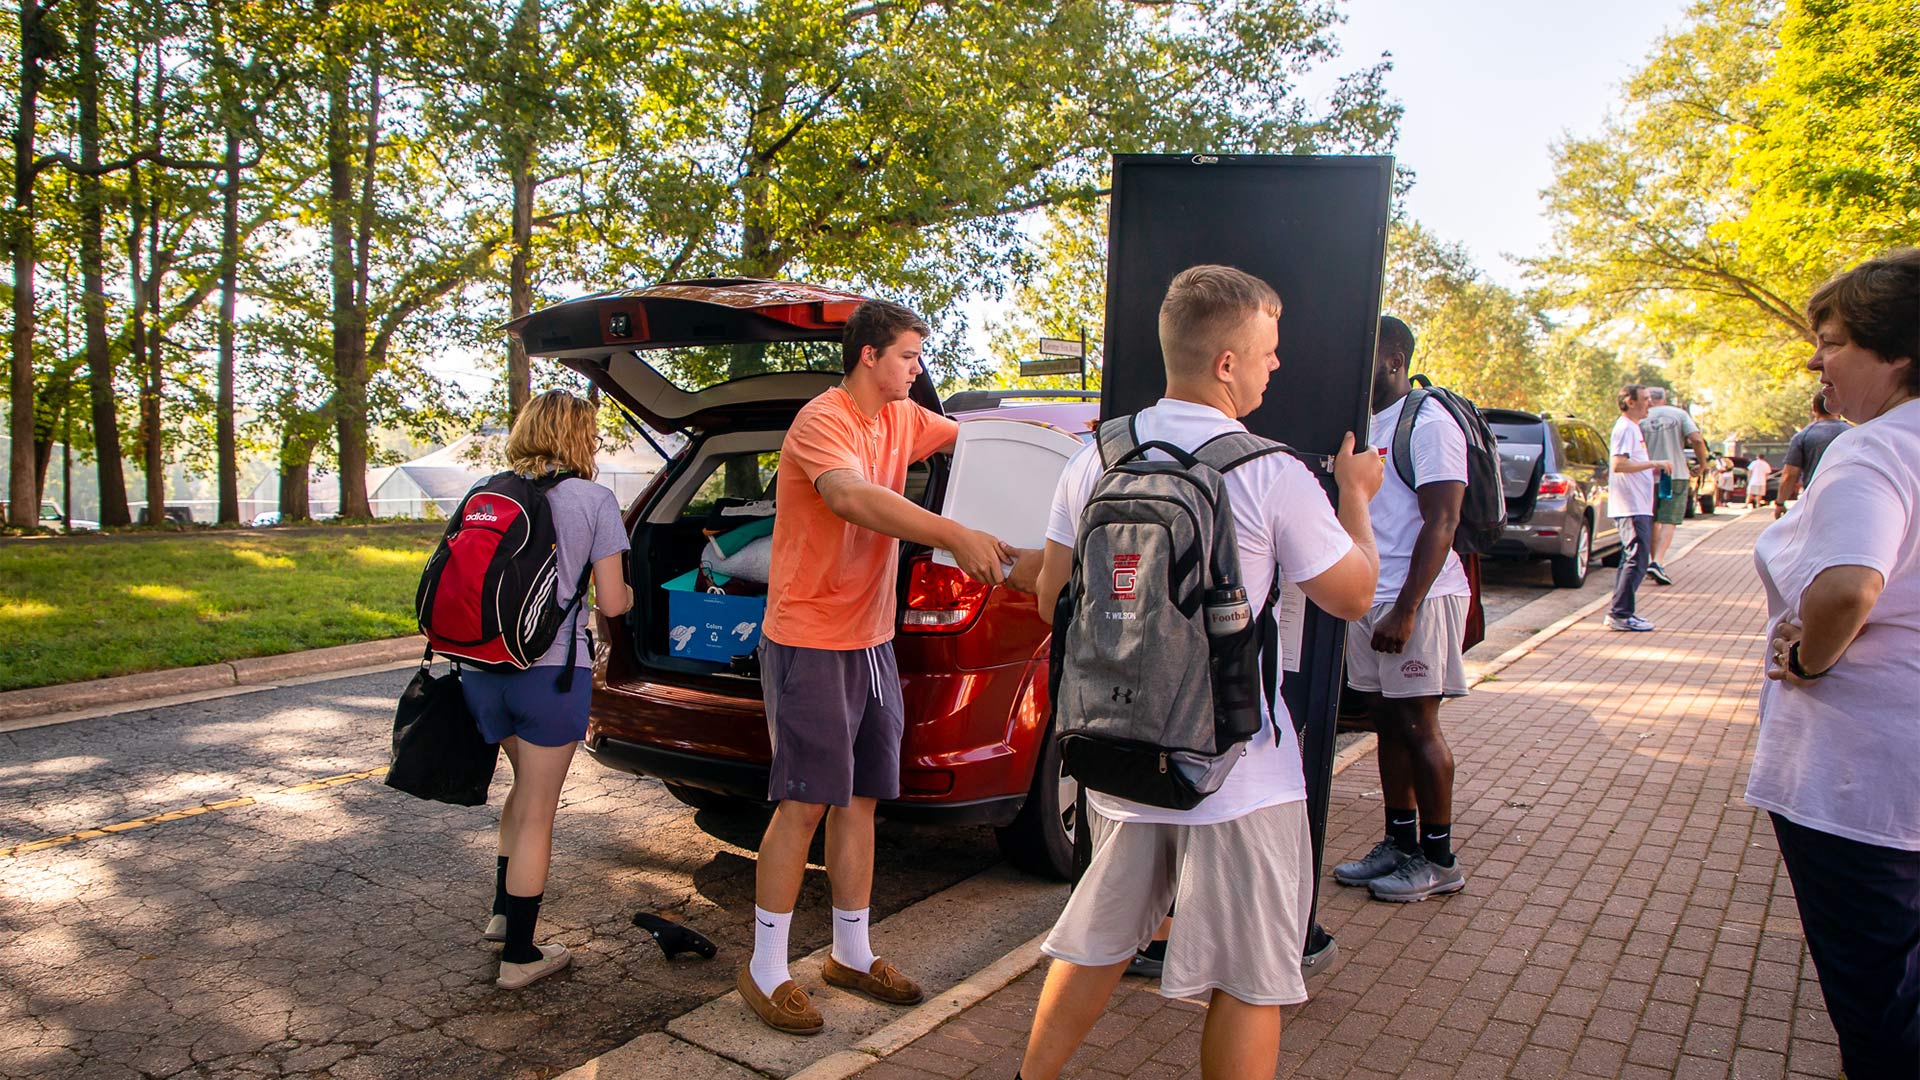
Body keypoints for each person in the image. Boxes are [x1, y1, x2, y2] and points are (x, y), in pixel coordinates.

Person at [1018, 265, 1382, 1080]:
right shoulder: (1271, 470)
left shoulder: (1096, 455)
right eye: (1267, 350)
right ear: (1226, 361)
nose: (1274, 366)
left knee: (1097, 943)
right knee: (1253, 981)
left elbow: (1053, 601)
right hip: (1240, 773)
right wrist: (1356, 499)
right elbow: (1352, 595)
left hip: (1122, 756)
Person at [741, 299, 1024, 1036]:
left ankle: (851, 953)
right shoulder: (823, 420)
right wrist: (952, 533)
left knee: (862, 798)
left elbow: (983, 442)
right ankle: (766, 967)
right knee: (804, 801)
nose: (918, 369)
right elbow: (851, 496)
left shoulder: (904, 419)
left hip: (870, 640)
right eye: (907, 356)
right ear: (868, 356)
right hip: (808, 637)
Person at [1746, 248, 1919, 1077]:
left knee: (1878, 1005)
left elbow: (1848, 585)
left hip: (1863, 785)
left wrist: (1810, 662)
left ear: (1900, 354)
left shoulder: (1874, 450)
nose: (1817, 359)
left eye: (1835, 340)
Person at [466, 389, 633, 989]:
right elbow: (612, 601)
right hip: (550, 675)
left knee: (520, 791)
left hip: (482, 672)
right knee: (539, 809)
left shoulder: (489, 492)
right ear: (578, 438)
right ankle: (520, 956)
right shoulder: (594, 499)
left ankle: (500, 915)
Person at [1332, 315, 1471, 902]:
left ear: (1393, 359)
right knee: (1389, 722)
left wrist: (1407, 608)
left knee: (1419, 723)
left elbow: (1443, 520)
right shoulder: (1362, 424)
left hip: (1421, 597)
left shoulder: (1429, 421)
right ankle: (1400, 841)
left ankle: (1439, 858)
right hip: (1373, 593)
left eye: (1362, 356)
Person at [1606, 385, 1666, 632]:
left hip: (1638, 504)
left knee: (1633, 559)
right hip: (1630, 505)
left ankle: (1621, 611)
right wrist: (1653, 463)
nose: (1649, 403)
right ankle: (1620, 614)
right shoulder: (1624, 428)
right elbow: (1619, 464)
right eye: (1645, 399)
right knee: (1637, 559)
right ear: (1630, 402)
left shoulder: (1633, 428)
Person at [1638, 387, 1710, 584]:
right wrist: (1702, 464)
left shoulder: (1640, 418)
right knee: (1669, 519)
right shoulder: (1679, 414)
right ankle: (1659, 562)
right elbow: (1696, 439)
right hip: (1675, 473)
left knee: (1652, 519)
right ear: (1665, 398)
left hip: (1648, 475)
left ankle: (1653, 562)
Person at [1775, 392, 1849, 516]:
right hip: (1848, 499)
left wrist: (1780, 503)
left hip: (1816, 503)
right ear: (1838, 407)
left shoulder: (1803, 436)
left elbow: (1790, 474)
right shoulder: (1852, 433)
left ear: (1814, 408)